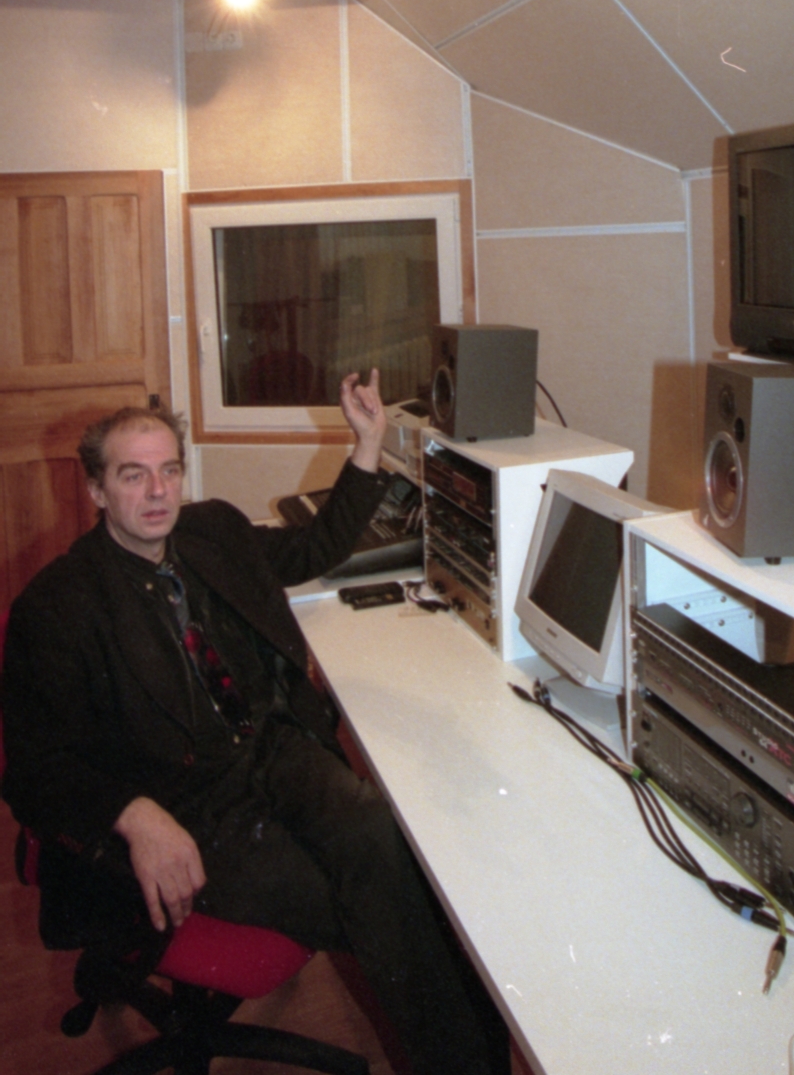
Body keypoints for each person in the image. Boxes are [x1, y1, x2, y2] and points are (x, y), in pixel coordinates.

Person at [2, 373, 508, 1075]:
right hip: (187, 804)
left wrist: (367, 444)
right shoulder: (58, 606)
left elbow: (311, 551)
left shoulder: (210, 531)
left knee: (383, 841)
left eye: (168, 470)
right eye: (133, 476)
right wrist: (135, 815)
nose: (157, 492)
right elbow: (34, 770)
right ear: (96, 490)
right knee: (380, 907)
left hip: (271, 747)